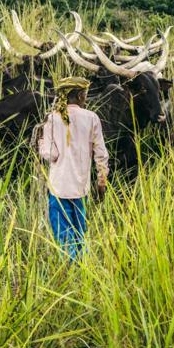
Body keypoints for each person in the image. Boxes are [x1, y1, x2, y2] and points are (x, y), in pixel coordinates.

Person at [37, 76, 109, 259]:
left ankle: (69, 268)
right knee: (80, 231)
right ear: (78, 95)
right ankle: (81, 267)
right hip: (81, 188)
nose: (85, 98)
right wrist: (102, 181)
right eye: (84, 94)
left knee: (63, 233)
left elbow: (51, 155)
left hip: (58, 188)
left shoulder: (52, 119)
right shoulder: (92, 118)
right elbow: (101, 154)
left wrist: (41, 141)